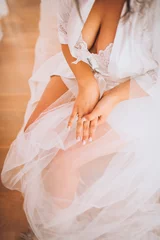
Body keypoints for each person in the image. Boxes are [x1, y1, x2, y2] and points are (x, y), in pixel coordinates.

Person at [1, 0, 160, 239]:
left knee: (65, 159)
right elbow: (65, 36)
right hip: (84, 69)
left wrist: (110, 100)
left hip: (138, 90)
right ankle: (57, 217)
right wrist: (86, 84)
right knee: (34, 135)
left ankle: (57, 233)